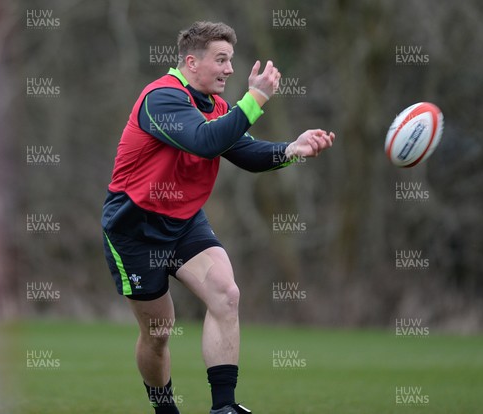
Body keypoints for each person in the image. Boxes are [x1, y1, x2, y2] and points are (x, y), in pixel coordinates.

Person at [101, 21, 335, 414]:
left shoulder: (218, 106)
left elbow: (243, 152)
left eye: (231, 60)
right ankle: (165, 409)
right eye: (221, 60)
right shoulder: (161, 98)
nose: (229, 69)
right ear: (191, 62)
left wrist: (292, 148)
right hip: (135, 228)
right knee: (159, 333)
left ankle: (223, 407)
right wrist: (256, 98)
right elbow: (204, 141)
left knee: (226, 294)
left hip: (185, 221)